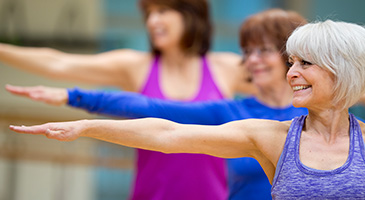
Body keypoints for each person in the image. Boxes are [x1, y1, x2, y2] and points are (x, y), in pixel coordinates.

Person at [6, 11, 365, 199]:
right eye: (290, 61)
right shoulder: (268, 134)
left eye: (302, 63)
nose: (288, 71)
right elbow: (166, 129)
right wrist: (83, 123)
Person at [0, 0, 257, 199]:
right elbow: (59, 63)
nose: (153, 21)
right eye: (149, 14)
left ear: (191, 14)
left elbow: (281, 83)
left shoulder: (226, 67)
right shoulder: (135, 66)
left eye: (163, 10)